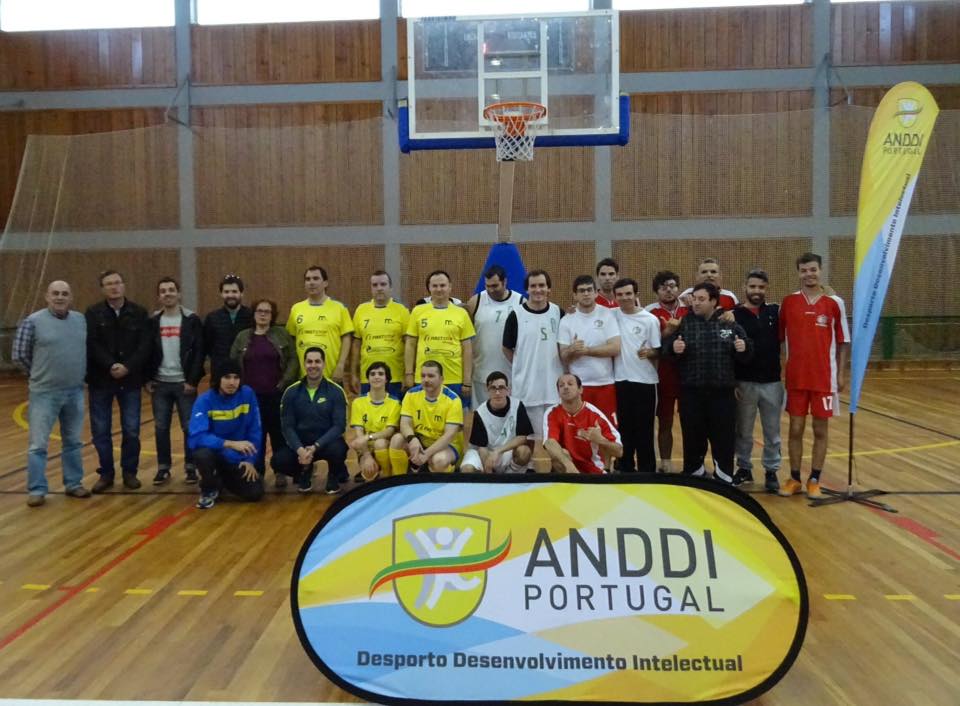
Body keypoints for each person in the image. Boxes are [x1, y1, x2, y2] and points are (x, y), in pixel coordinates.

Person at [662, 282, 752, 484]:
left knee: (723, 439)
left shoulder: (729, 323)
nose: (696, 303)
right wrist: (673, 347)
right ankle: (694, 476)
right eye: (694, 298)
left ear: (713, 301)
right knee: (693, 438)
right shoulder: (684, 323)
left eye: (701, 299)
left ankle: (724, 479)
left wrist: (743, 347)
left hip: (723, 395)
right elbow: (666, 351)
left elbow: (747, 354)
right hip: (692, 394)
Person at [778, 253, 850, 500]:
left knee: (821, 429)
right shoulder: (788, 302)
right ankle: (795, 478)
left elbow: (843, 341)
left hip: (824, 380)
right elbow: (779, 340)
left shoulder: (834, 303)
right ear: (798, 273)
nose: (809, 274)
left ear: (820, 270)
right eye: (804, 270)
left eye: (813, 269)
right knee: (795, 429)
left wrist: (840, 374)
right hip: (796, 379)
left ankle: (815, 479)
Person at [13, 280, 91, 506]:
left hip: (75, 391)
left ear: (71, 297)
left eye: (64, 293)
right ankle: (37, 489)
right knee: (38, 444)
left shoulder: (80, 320)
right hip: (44, 393)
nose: (60, 297)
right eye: (55, 293)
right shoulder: (33, 322)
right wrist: (39, 374)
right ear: (47, 296)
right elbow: (19, 355)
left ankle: (74, 483)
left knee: (74, 441)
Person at [86, 270, 152, 493]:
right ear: (102, 289)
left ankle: (129, 472)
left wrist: (128, 367)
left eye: (117, 283)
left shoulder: (139, 313)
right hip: (101, 381)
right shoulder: (93, 314)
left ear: (124, 286)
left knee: (132, 429)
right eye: (108, 284)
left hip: (130, 380)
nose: (114, 287)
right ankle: (106, 473)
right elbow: (92, 344)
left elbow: (145, 346)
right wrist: (110, 365)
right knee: (101, 430)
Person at [230, 298, 299, 484]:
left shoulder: (281, 335)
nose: (262, 314)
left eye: (267, 311)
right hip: (250, 397)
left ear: (272, 315)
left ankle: (280, 471)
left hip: (276, 394)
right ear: (253, 314)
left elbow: (293, 359)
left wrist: (283, 383)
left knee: (278, 434)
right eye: (259, 311)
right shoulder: (243, 337)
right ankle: (257, 470)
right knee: (255, 435)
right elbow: (233, 362)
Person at [146, 277, 204, 486]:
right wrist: (148, 378)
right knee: (161, 427)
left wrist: (193, 380)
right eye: (163, 291)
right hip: (160, 383)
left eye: (171, 290)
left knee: (189, 427)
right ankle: (163, 467)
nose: (167, 293)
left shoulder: (191, 319)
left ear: (179, 294)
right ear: (159, 296)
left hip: (184, 383)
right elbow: (146, 351)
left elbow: (199, 352)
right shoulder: (153, 321)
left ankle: (191, 466)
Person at [732, 270, 784, 492]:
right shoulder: (734, 314)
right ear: (745, 287)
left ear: (766, 288)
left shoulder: (775, 312)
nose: (756, 291)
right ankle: (744, 467)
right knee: (743, 430)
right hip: (745, 382)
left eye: (761, 287)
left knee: (772, 431)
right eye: (752, 287)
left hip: (772, 382)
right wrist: (733, 382)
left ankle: (771, 470)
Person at [187, 359, 263, 509]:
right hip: (215, 453)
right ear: (217, 379)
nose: (232, 382)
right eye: (227, 377)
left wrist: (250, 460)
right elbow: (196, 437)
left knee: (255, 493)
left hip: (236, 458)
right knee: (202, 454)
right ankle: (208, 489)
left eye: (236, 377)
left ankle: (221, 481)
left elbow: (255, 430)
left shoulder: (247, 394)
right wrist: (229, 443)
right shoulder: (204, 401)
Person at [272, 347, 349, 494]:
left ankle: (333, 476)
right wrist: (300, 450)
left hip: (326, 443)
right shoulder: (291, 392)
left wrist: (315, 446)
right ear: (304, 364)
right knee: (278, 461)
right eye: (309, 362)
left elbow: (339, 426)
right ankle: (304, 471)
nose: (313, 365)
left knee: (339, 449)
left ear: (324, 364)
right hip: (301, 444)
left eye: (317, 361)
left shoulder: (336, 391)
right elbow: (287, 427)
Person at [502, 269, 564, 440]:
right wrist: (522, 365)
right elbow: (506, 348)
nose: (538, 290)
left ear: (549, 289)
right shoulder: (516, 315)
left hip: (553, 388)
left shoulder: (559, 313)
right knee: (527, 440)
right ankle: (528, 468)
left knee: (554, 439)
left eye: (542, 285)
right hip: (526, 388)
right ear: (527, 290)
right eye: (533, 286)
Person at [404, 270, 475, 404]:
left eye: (442, 285)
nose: (439, 289)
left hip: (454, 379)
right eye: (435, 286)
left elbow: (467, 349)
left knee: (456, 421)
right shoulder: (418, 311)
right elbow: (410, 345)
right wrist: (409, 373)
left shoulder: (461, 313)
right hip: (424, 378)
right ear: (429, 288)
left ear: (450, 287)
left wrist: (466, 381)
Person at [557, 275, 620, 426]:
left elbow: (615, 348)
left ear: (596, 293)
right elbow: (563, 357)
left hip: (605, 384)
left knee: (607, 431)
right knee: (580, 432)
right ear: (575, 295)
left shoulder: (607, 314)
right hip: (579, 388)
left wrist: (586, 351)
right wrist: (572, 349)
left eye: (589, 290)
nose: (586, 294)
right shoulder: (567, 320)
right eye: (581, 291)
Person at [612, 278, 661, 473]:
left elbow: (657, 350)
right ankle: (625, 467)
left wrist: (650, 353)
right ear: (615, 297)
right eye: (620, 295)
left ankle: (647, 470)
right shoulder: (611, 315)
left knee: (644, 429)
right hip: (621, 380)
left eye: (628, 294)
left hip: (645, 382)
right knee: (624, 427)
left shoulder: (649, 320)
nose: (624, 298)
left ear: (636, 295)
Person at [645, 270, 688, 473]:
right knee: (665, 421)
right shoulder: (650, 313)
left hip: (689, 374)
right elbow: (648, 348)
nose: (669, 290)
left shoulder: (690, 309)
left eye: (672, 286)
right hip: (663, 375)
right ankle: (665, 462)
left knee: (691, 422)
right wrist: (667, 332)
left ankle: (693, 464)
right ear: (657, 292)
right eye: (663, 287)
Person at [391, 360, 464, 474]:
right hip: (421, 441)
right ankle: (399, 479)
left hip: (447, 445)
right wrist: (412, 439)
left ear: (441, 379)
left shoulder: (453, 400)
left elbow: (449, 435)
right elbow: (405, 423)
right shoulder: (411, 394)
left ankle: (447, 477)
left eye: (431, 376)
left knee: (439, 460)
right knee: (397, 440)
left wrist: (426, 454)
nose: (426, 380)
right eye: (423, 376)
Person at [465, 265, 523, 406]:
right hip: (481, 373)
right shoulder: (476, 301)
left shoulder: (520, 302)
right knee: (482, 417)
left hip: (510, 373)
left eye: (495, 286)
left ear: (505, 282)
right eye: (488, 286)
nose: (491, 290)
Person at [287, 265, 354, 384]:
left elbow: (347, 338)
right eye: (308, 279)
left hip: (332, 375)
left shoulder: (339, 308)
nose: (311, 282)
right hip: (304, 377)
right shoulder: (296, 309)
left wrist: (341, 365)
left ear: (325, 283)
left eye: (316, 278)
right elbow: (291, 340)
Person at [543, 373, 622, 474]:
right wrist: (570, 467)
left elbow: (619, 451)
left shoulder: (595, 415)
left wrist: (600, 440)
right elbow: (550, 442)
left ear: (581, 389)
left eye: (570, 384)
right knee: (560, 456)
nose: (565, 387)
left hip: (594, 472)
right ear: (558, 392)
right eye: (561, 385)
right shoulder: (552, 412)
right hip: (568, 470)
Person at [350, 270, 409, 399]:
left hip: (395, 378)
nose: (379, 288)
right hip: (368, 377)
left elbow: (409, 345)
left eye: (383, 284)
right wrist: (354, 373)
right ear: (371, 288)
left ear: (391, 287)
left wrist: (407, 374)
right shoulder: (361, 310)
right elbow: (356, 345)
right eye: (375, 285)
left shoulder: (402, 311)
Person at [460, 372, 534, 474]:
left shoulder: (517, 406)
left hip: (506, 451)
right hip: (485, 452)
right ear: (488, 390)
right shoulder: (480, 412)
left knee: (524, 451)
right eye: (493, 388)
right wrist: (489, 473)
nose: (497, 392)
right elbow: (482, 448)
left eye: (501, 388)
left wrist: (499, 451)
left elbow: (522, 437)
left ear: (508, 390)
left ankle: (511, 476)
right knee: (467, 469)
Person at [348, 362, 402, 480]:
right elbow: (359, 433)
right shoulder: (358, 402)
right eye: (372, 374)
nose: (376, 376)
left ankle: (388, 477)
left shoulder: (394, 403)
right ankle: (375, 472)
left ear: (386, 379)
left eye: (380, 374)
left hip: (386, 448)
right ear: (368, 379)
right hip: (366, 448)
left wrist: (369, 437)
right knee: (369, 473)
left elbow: (389, 431)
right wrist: (367, 455)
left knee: (380, 443)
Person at [203, 274, 253, 373]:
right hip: (220, 372)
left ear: (241, 293)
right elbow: (207, 346)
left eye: (234, 291)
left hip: (247, 371)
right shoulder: (212, 318)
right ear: (221, 294)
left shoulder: (251, 316)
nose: (230, 295)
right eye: (226, 292)